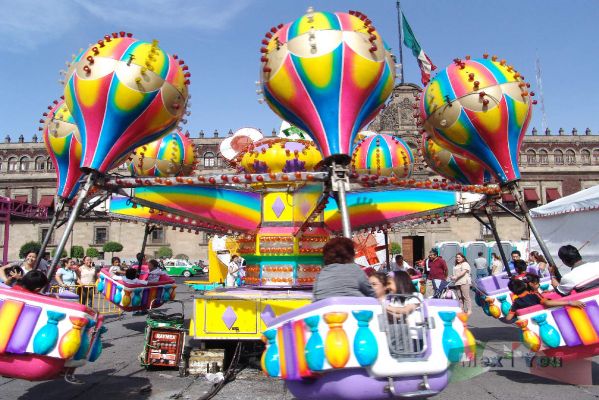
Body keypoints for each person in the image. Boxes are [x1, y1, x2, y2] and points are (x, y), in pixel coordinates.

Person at [504, 277, 585, 322]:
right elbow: (547, 303)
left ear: (513, 291)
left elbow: (508, 318)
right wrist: (570, 303)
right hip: (547, 319)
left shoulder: (516, 302)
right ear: (525, 285)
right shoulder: (534, 295)